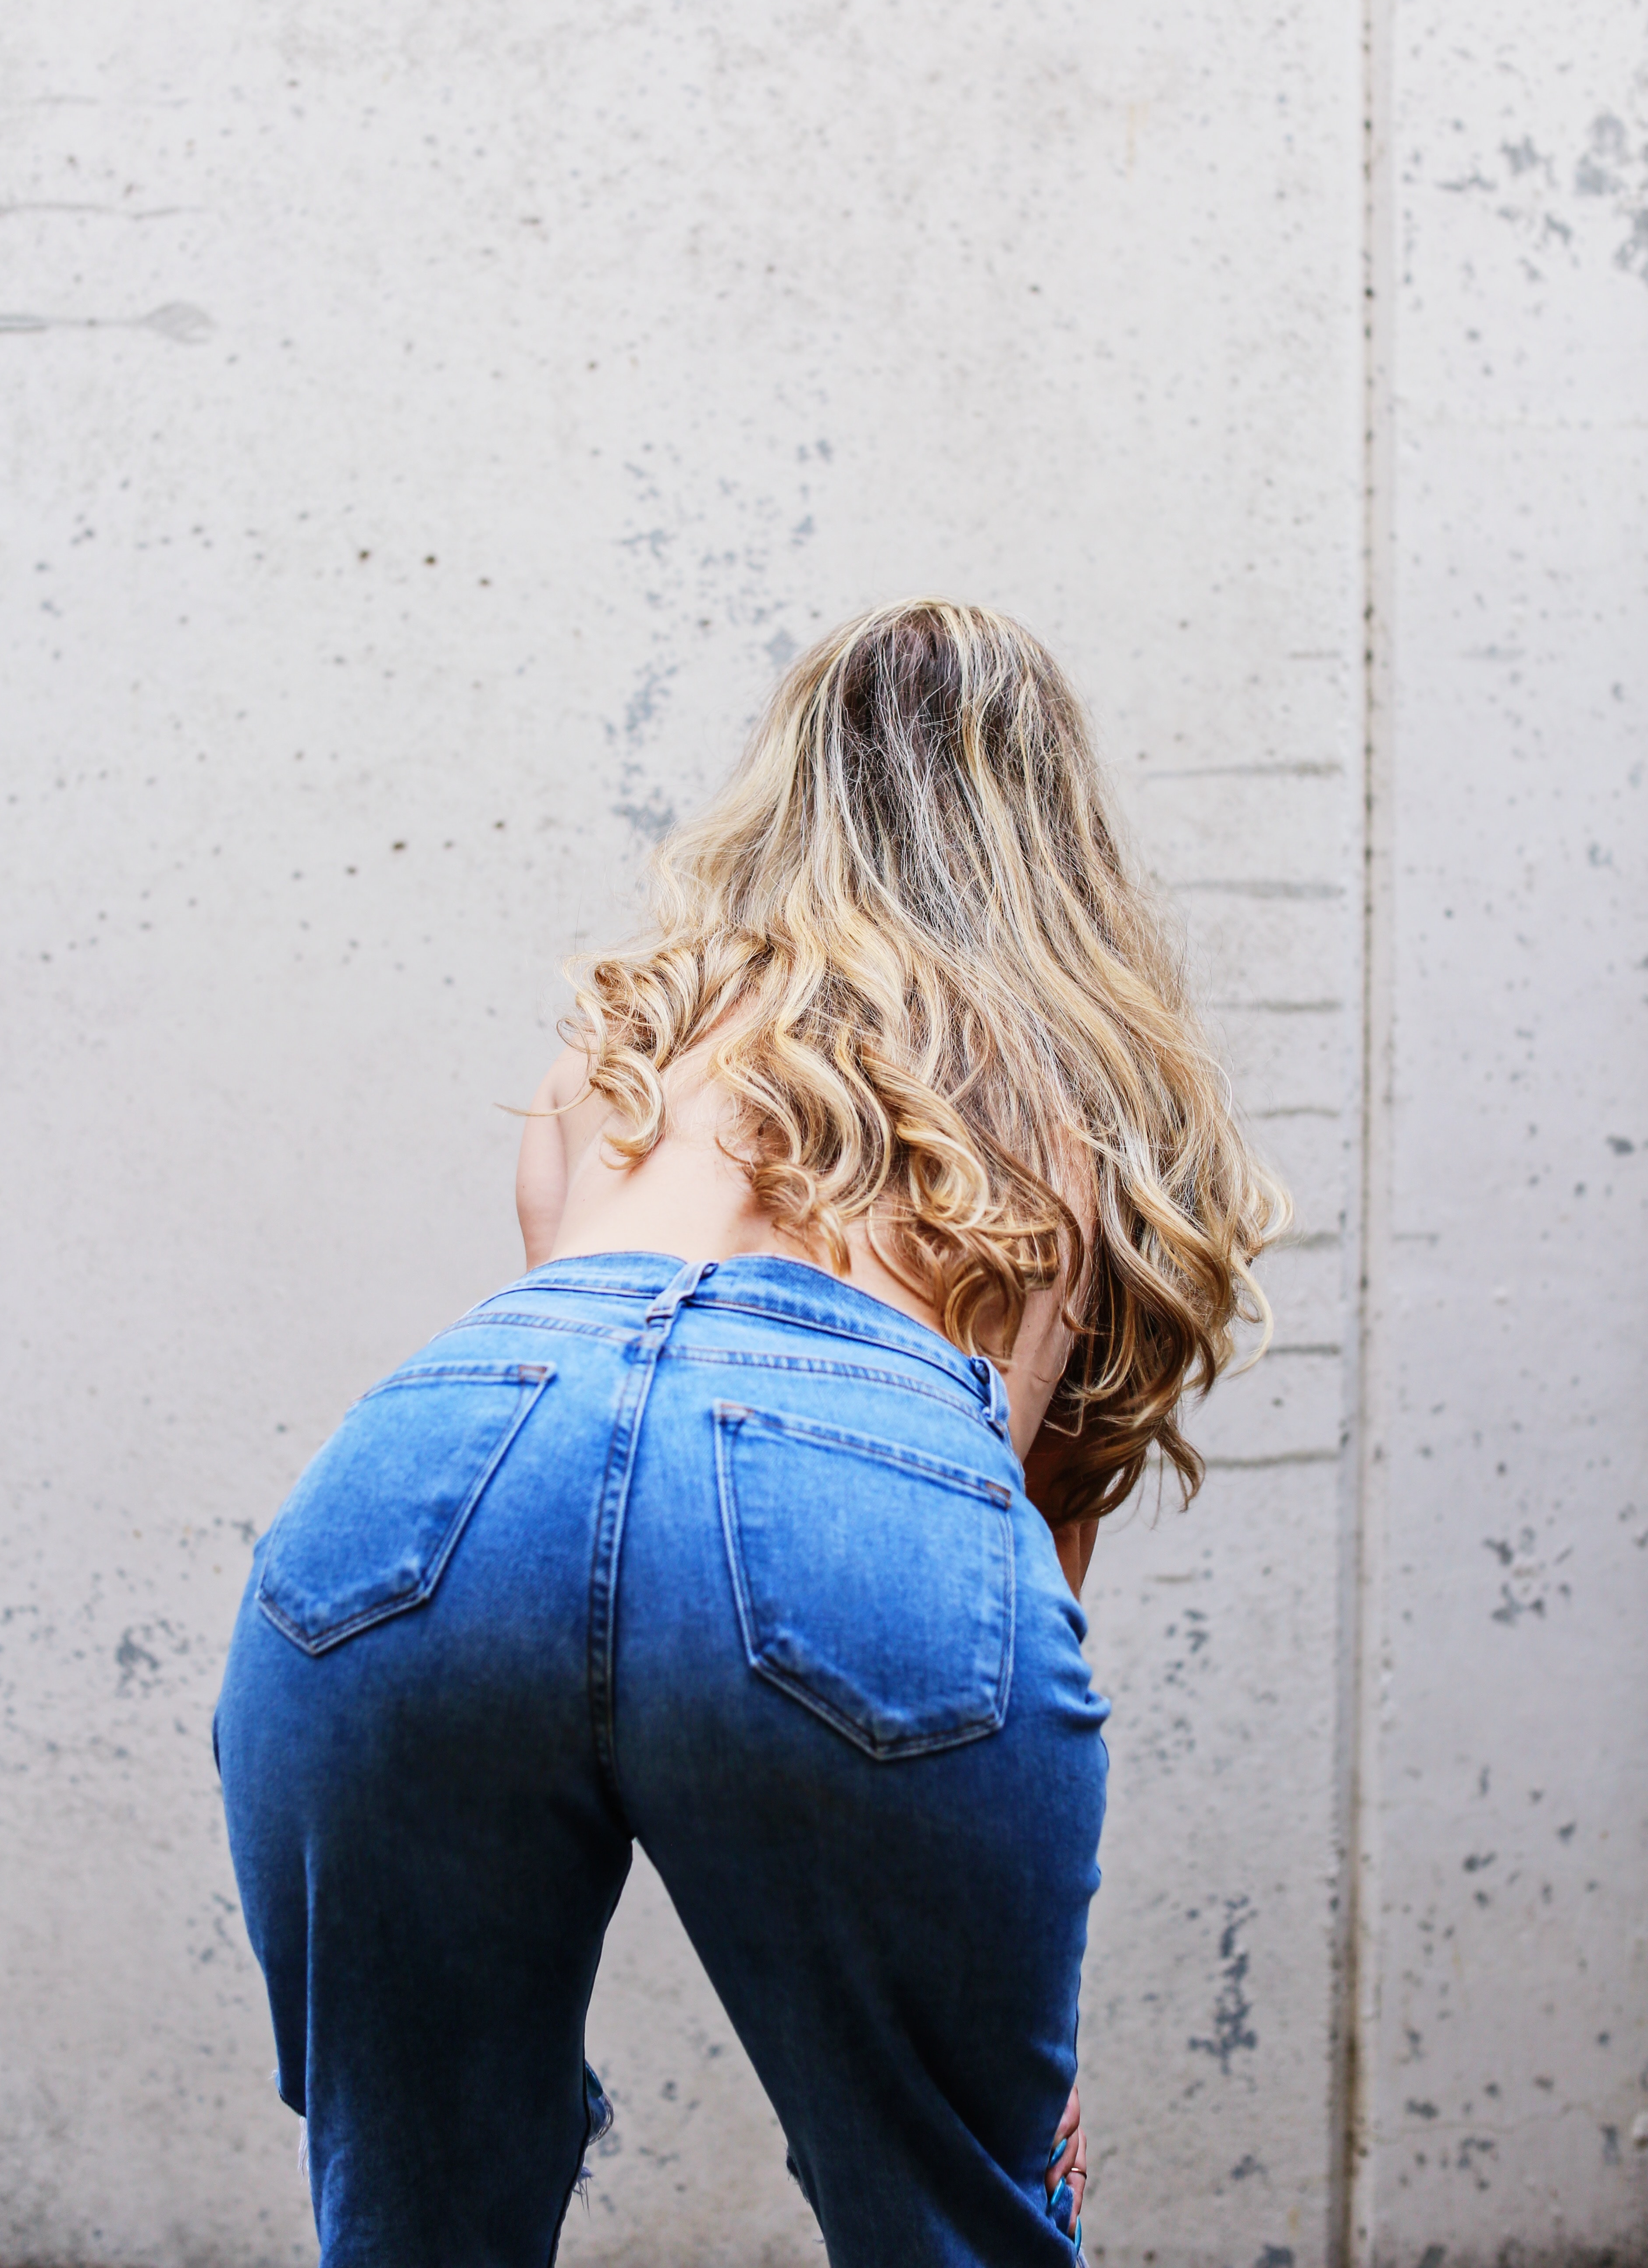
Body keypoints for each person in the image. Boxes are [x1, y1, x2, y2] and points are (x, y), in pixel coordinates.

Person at [215, 599, 1287, 2268]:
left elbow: (595, 1425)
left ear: (785, 786)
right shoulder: (1068, 1073)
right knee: (956, 2215)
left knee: (417, 2212)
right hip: (848, 1462)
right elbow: (1024, 1534)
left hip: (440, 1473)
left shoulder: (624, 1036)